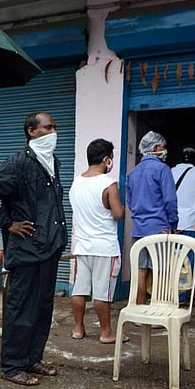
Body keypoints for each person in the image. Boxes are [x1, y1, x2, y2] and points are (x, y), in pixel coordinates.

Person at [0, 111, 67, 387]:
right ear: (31, 132)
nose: (53, 132)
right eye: (47, 128)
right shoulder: (18, 163)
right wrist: (8, 223)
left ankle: (32, 359)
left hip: (50, 247)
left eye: (54, 127)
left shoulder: (52, 163)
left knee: (42, 308)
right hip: (26, 250)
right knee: (21, 308)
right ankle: (12, 366)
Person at [68, 139, 125, 343]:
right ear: (106, 159)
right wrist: (126, 208)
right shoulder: (108, 184)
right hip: (105, 248)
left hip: (82, 246)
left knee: (80, 289)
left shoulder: (76, 182)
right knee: (102, 292)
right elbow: (118, 214)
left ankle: (78, 328)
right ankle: (106, 332)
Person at [126, 131, 178, 306]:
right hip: (160, 228)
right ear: (155, 148)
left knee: (141, 270)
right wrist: (173, 223)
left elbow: (131, 203)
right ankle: (157, 310)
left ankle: (140, 309)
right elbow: (170, 200)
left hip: (139, 228)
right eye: (163, 148)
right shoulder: (163, 169)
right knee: (160, 270)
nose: (164, 151)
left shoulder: (133, 173)